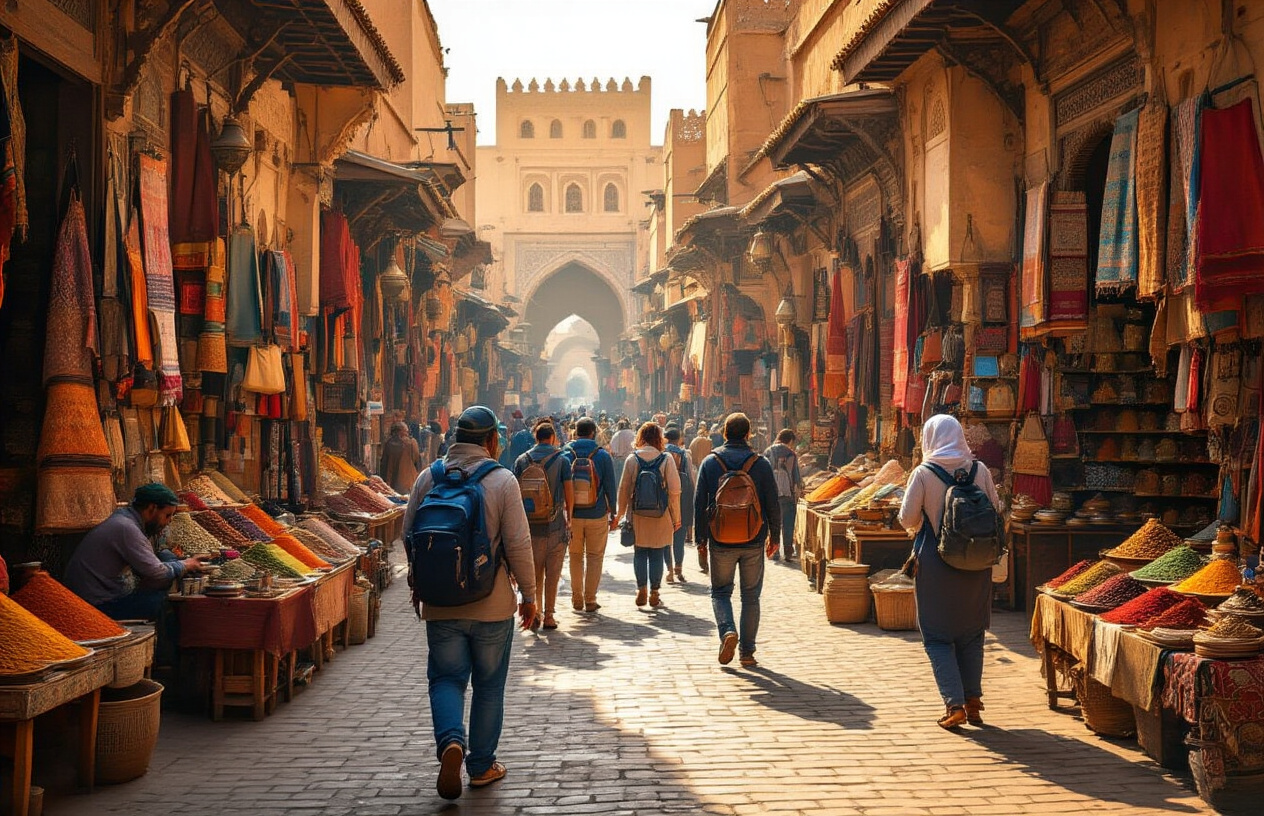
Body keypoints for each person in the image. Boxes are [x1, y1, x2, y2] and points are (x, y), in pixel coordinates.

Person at [402, 405, 537, 798]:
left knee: (446, 678)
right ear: (492, 440)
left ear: (457, 437)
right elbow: (518, 543)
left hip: (441, 604)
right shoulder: (502, 480)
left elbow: (409, 534)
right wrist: (529, 595)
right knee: (489, 686)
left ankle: (451, 742)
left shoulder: (429, 477)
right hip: (492, 604)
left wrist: (424, 580)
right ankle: (481, 766)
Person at [897, 414, 1002, 730]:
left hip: (936, 564)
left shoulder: (923, 473)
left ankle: (954, 705)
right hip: (977, 562)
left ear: (929, 438)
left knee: (937, 637)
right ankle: (973, 702)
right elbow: (996, 509)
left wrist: (925, 518)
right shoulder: (979, 470)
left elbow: (907, 518)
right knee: (972, 634)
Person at [694, 413, 780, 668]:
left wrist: (700, 539)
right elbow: (772, 503)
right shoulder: (761, 464)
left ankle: (728, 631)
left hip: (720, 539)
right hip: (754, 539)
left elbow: (699, 504)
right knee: (751, 597)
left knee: (720, 592)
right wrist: (775, 537)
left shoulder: (710, 463)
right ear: (748, 434)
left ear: (724, 432)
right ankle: (747, 652)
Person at [64, 483, 208, 620]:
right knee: (165, 604)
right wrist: (185, 564)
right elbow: (157, 572)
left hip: (99, 597)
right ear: (152, 508)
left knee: (165, 559)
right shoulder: (126, 528)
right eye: (167, 515)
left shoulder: (125, 519)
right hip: (97, 605)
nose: (169, 522)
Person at [513, 421, 573, 630]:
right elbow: (569, 492)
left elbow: (515, 494)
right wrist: (570, 518)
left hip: (530, 528)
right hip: (555, 525)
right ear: (553, 437)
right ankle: (549, 616)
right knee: (553, 574)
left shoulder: (522, 460)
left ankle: (535, 612)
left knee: (534, 573)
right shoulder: (562, 460)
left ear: (536, 437)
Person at [613, 422, 680, 609]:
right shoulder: (666, 459)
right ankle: (655, 592)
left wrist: (620, 515)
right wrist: (676, 517)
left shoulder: (632, 459)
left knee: (640, 552)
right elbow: (674, 491)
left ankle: (641, 587)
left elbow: (624, 490)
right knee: (657, 553)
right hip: (661, 515)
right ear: (659, 438)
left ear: (640, 437)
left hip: (637, 515)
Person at [562, 417, 618, 612]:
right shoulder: (602, 455)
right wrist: (613, 512)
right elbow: (610, 486)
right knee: (595, 557)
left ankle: (576, 598)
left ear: (576, 432)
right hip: (597, 513)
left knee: (575, 556)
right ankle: (590, 599)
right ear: (593, 433)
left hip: (573, 515)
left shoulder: (566, 453)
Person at [763, 429, 803, 561]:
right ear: (790, 440)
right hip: (787, 494)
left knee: (773, 523)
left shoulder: (768, 452)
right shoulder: (791, 454)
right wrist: (798, 489)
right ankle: (788, 552)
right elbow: (796, 476)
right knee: (788, 523)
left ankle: (774, 551)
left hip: (771, 494)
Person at [662, 426, 695, 583]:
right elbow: (689, 476)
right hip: (680, 496)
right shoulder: (684, 454)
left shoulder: (661, 453)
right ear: (679, 439)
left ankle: (669, 570)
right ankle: (678, 568)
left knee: (665, 536)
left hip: (663, 497)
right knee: (679, 534)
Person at [380, 421, 423, 494]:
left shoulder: (388, 443)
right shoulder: (411, 443)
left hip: (390, 483)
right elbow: (417, 461)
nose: (407, 433)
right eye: (406, 431)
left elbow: (383, 464)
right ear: (401, 431)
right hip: (407, 482)